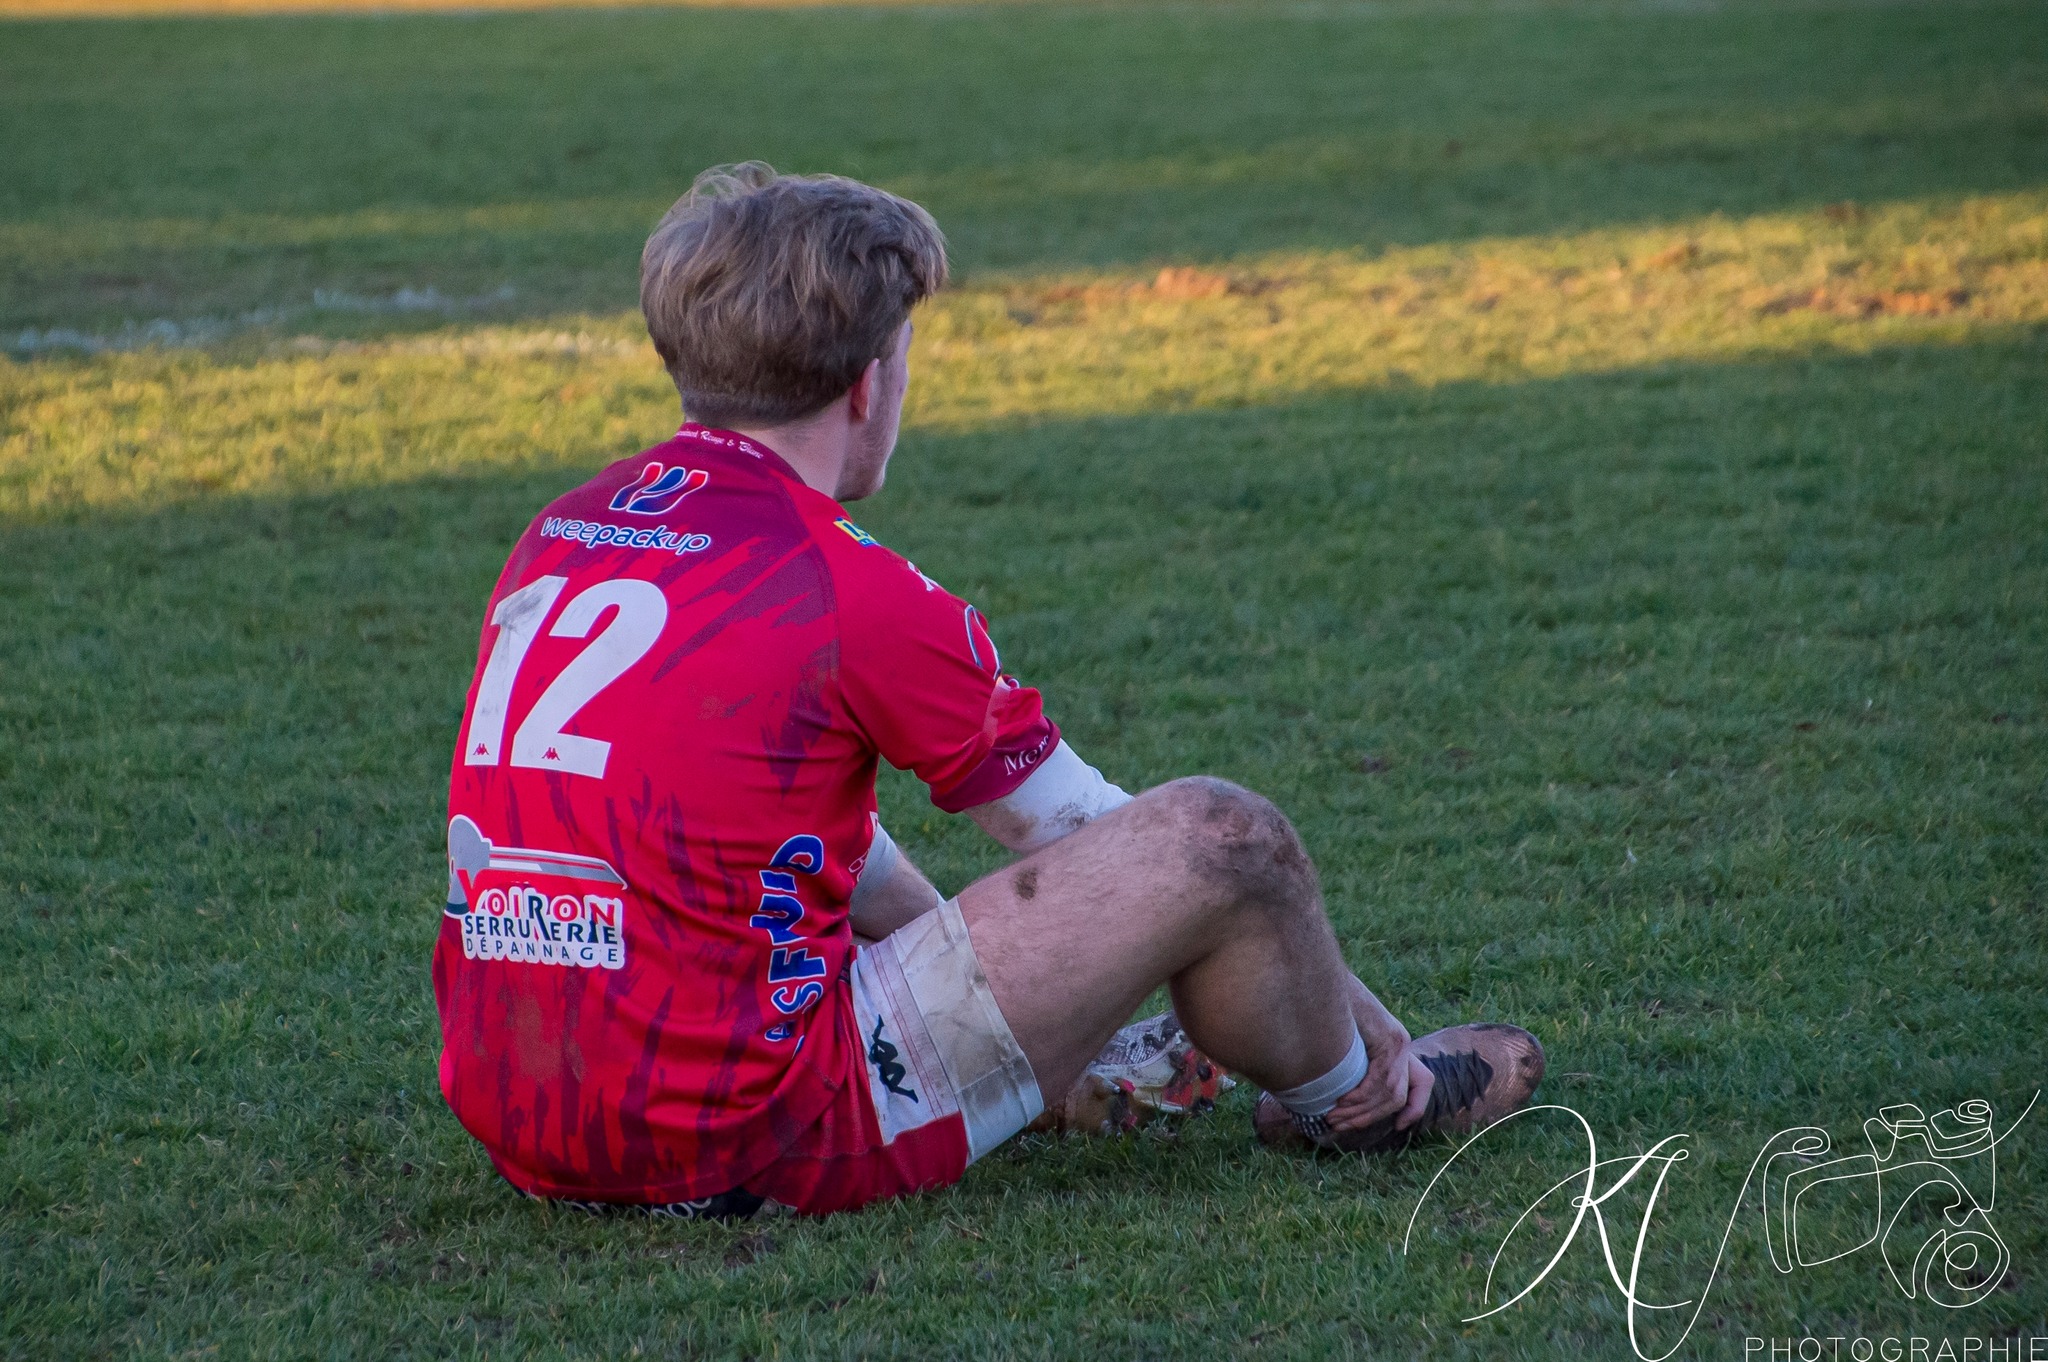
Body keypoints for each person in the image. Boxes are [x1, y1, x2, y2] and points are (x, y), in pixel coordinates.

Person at [433, 163, 1544, 1219]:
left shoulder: (562, 531)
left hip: (525, 1119)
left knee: (794, 812)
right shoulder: (843, 584)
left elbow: (745, 816)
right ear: (869, 383)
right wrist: (1359, 1010)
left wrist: (1030, 1017)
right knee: (1225, 835)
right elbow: (1098, 835)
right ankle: (1355, 1103)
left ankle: (1049, 1074)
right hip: (746, 1138)